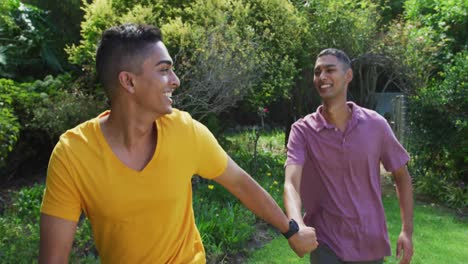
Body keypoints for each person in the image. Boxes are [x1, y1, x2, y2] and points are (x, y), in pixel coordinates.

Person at [39, 23, 318, 263]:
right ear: (128, 82)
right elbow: (53, 259)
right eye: (164, 70)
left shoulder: (185, 131)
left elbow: (241, 183)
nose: (176, 81)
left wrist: (291, 231)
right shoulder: (73, 154)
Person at [283, 48, 413, 264]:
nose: (322, 77)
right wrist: (297, 224)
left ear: (348, 76)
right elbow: (291, 182)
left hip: (370, 244)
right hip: (326, 244)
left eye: (329, 70)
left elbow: (402, 176)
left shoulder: (376, 125)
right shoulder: (303, 130)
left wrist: (406, 232)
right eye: (317, 72)